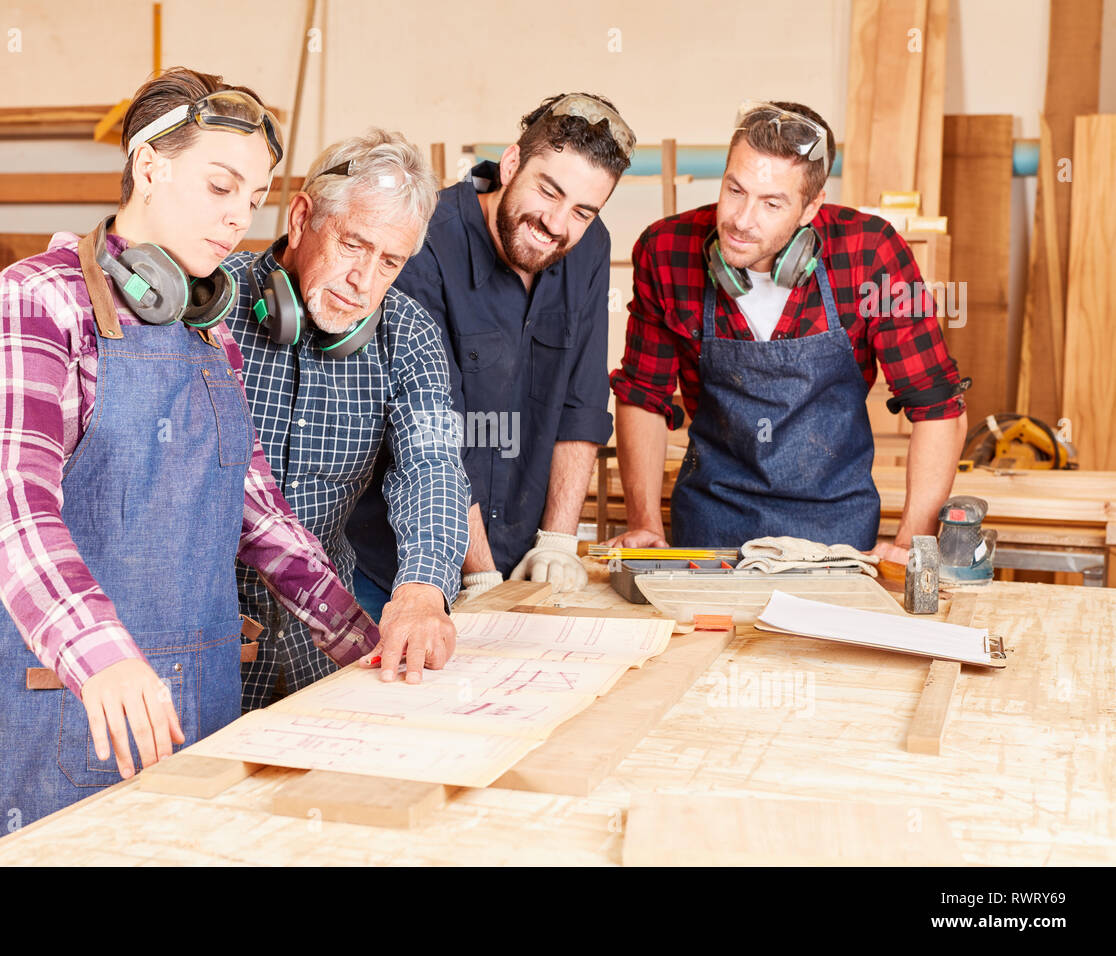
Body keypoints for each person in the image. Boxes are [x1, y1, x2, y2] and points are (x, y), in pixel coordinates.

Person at [0, 67, 380, 850]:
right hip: (69, 699)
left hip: (199, 700)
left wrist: (359, 640)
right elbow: (13, 508)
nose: (237, 221)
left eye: (252, 201)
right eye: (221, 186)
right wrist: (100, 656)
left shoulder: (206, 329)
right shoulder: (36, 300)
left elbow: (259, 512)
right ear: (149, 166)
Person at [606, 101, 968, 559]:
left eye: (771, 203)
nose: (740, 219)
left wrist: (911, 544)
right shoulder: (665, 249)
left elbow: (937, 405)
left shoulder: (871, 251)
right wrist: (643, 525)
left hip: (836, 539)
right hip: (709, 531)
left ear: (811, 206)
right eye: (735, 190)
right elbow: (642, 396)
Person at [346, 93, 636, 608]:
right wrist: (479, 576)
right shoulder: (426, 242)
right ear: (510, 164)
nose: (557, 224)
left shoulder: (588, 245)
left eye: (582, 211)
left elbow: (581, 402)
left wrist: (558, 542)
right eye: (549, 192)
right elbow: (435, 429)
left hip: (523, 560)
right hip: (402, 569)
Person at [222, 130, 468, 707]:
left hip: (325, 648)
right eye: (353, 245)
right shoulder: (214, 303)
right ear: (303, 216)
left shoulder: (407, 333)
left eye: (390, 261)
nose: (365, 283)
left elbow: (431, 463)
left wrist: (423, 587)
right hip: (203, 644)